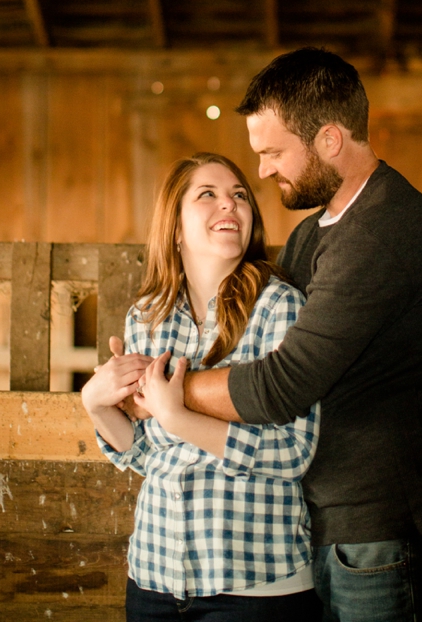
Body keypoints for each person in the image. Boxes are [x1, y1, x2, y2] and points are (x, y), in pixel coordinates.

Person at [177, 49, 422, 621]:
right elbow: (257, 338)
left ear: (328, 140)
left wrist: (165, 393)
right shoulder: (312, 236)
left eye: (274, 152)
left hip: (390, 530)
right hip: (332, 524)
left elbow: (282, 384)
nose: (265, 170)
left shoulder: (383, 230)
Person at [84, 153, 320, 621]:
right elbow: (149, 455)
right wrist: (95, 405)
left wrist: (177, 416)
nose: (229, 206)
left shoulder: (281, 308)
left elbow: (294, 452)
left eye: (238, 196)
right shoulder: (147, 317)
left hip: (254, 584)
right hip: (153, 578)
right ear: (174, 227)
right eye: (207, 195)